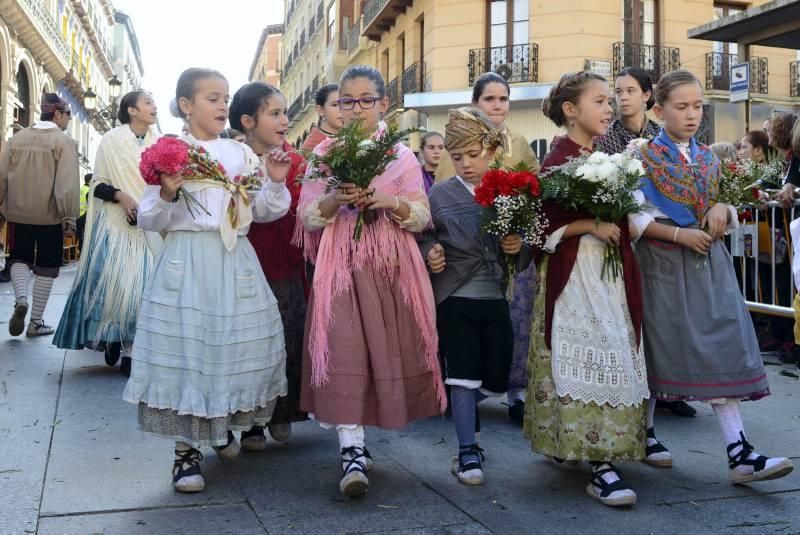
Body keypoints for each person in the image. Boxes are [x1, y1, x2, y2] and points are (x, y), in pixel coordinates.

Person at [122, 68, 292, 493]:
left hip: (235, 261)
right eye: (212, 98)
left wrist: (273, 183)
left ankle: (221, 429)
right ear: (186, 105)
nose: (222, 106)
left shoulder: (240, 154)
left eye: (225, 98)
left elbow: (267, 211)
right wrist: (165, 193)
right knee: (186, 352)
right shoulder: (171, 151)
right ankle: (186, 452)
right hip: (188, 262)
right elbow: (148, 218)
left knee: (233, 347)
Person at [633, 69, 793, 486]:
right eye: (681, 107)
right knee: (659, 346)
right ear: (658, 110)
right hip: (663, 261)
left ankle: (738, 451)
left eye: (697, 106)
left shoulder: (707, 157)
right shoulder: (642, 157)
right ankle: (645, 433)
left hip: (709, 259)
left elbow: (723, 199)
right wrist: (678, 233)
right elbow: (633, 218)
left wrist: (723, 205)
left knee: (723, 343)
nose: (691, 115)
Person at [297, 64, 445, 498]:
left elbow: (421, 215)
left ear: (383, 104)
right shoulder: (324, 154)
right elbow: (306, 215)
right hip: (340, 265)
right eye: (347, 101)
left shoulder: (400, 156)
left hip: (390, 266)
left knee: (381, 353)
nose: (355, 108)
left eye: (365, 100)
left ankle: (367, 436)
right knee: (343, 349)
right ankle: (352, 449)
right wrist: (333, 199)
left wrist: (387, 200)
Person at [524, 71, 648, 507]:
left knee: (614, 352)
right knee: (583, 358)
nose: (609, 107)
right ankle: (599, 463)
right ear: (571, 110)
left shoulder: (606, 156)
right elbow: (539, 227)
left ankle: (592, 448)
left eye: (610, 100)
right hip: (575, 279)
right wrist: (587, 224)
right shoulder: (558, 159)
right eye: (600, 100)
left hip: (609, 277)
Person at [421, 107, 530, 485]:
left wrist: (518, 245)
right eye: (457, 157)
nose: (466, 164)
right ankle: (468, 449)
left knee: (498, 376)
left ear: (491, 149)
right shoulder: (439, 194)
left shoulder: (509, 189)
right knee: (464, 374)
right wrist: (430, 251)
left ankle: (459, 402)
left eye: (473, 154)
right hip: (454, 295)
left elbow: (526, 243)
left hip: (496, 295)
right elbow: (425, 235)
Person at [436, 72, 541, 424]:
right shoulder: (457, 151)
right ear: (475, 103)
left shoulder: (520, 143)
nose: (497, 105)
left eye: (503, 99)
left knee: (513, 331)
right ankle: (464, 395)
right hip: (463, 271)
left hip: (509, 262)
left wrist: (518, 239)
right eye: (489, 99)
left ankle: (515, 394)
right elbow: (438, 209)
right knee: (467, 343)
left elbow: (533, 195)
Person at [53, 90, 161, 377]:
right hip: (115, 223)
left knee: (142, 289)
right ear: (132, 110)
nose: (154, 107)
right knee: (117, 286)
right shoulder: (112, 140)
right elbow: (98, 183)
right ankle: (112, 338)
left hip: (149, 226)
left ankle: (131, 351)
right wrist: (122, 196)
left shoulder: (158, 142)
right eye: (148, 102)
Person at [229, 81, 309, 448]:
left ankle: (284, 410)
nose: (284, 121)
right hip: (244, 264)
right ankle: (250, 421)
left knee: (288, 337)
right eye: (274, 113)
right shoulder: (229, 160)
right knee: (248, 343)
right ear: (248, 121)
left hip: (288, 262)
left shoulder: (297, 160)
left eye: (285, 113)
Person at [0, 93, 79, 337]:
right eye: (67, 113)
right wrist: (69, 217)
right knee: (47, 265)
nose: (68, 118)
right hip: (50, 216)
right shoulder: (63, 142)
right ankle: (35, 323)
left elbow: (2, 175)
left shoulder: (17, 138)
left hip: (17, 213)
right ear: (56, 114)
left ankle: (21, 299)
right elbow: (66, 184)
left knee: (18, 258)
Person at [597, 66, 661, 154]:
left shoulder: (659, 133)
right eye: (618, 92)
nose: (623, 97)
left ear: (646, 95)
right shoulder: (606, 137)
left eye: (630, 91)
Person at [301, 83, 342, 153]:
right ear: (320, 110)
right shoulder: (310, 148)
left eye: (346, 103)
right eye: (335, 105)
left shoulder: (354, 140)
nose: (342, 109)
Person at [77, 173, 92, 250]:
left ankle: (75, 253)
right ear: (90, 181)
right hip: (85, 215)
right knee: (85, 235)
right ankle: (83, 253)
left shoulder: (81, 188)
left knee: (79, 236)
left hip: (77, 215)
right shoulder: (89, 190)